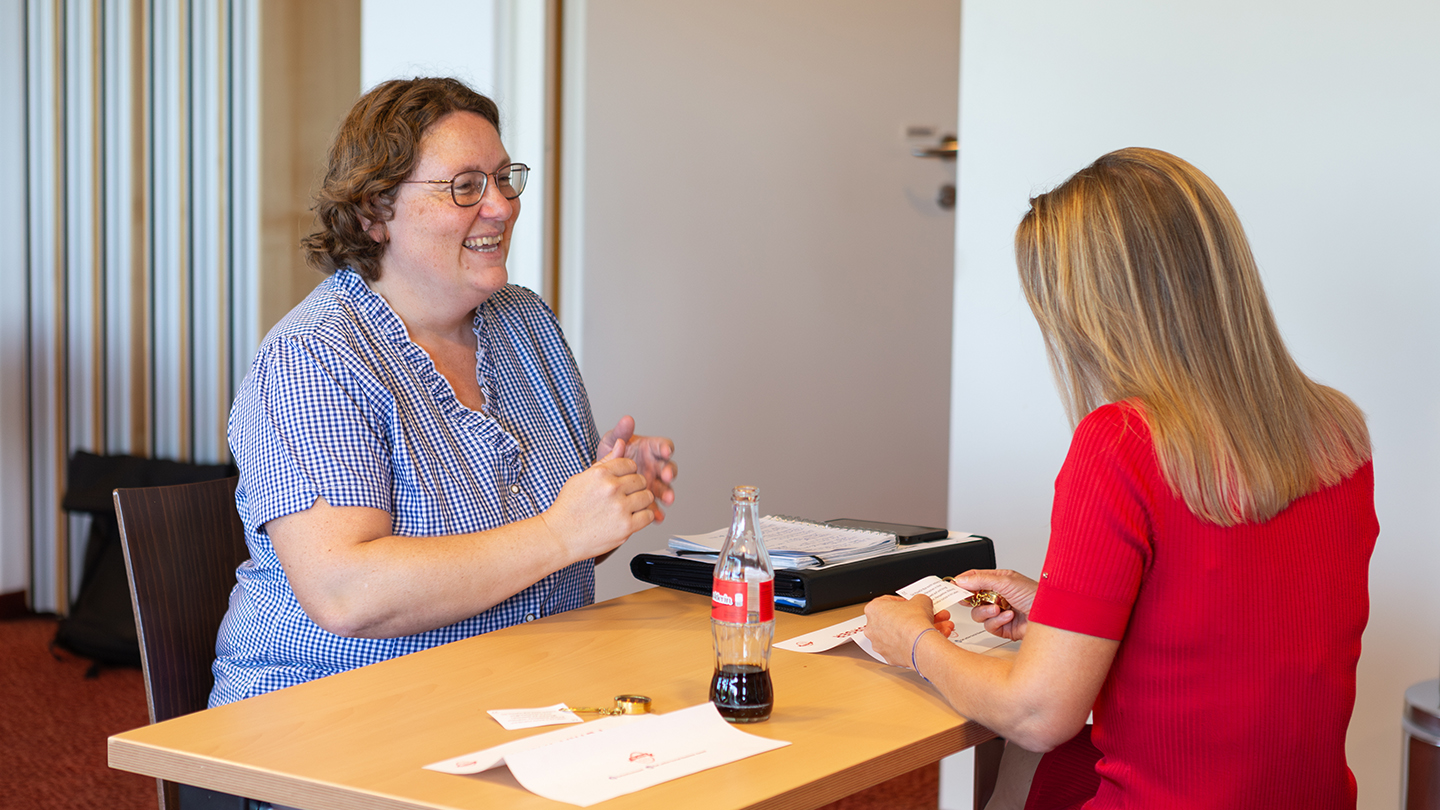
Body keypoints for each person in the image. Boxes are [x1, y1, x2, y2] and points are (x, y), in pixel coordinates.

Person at [864, 148, 1376, 809]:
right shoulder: (1340, 430)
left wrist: (914, 643)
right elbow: (1235, 631)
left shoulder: (1122, 443)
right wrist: (1062, 611)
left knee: (1020, 755)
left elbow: (1036, 715)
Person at [210, 77, 677, 706]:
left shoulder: (524, 321)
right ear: (376, 213)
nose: (503, 206)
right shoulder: (316, 356)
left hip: (520, 688)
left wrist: (604, 500)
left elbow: (542, 555)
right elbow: (347, 593)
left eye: (505, 178)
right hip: (341, 718)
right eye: (465, 187)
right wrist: (562, 532)